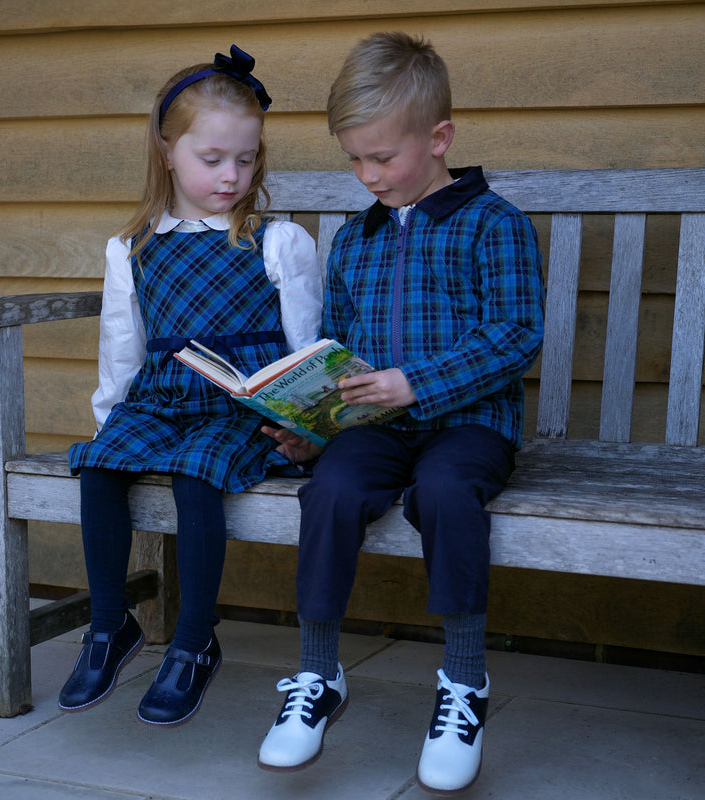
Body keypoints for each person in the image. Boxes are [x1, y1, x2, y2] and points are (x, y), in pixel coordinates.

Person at [257, 32, 544, 793]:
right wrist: (313, 427)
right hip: (378, 431)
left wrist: (418, 383)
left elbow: (515, 336)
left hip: (469, 427)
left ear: (439, 138)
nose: (368, 174)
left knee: (447, 492)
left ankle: (464, 683)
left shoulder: (494, 224)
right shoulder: (355, 240)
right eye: (354, 158)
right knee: (333, 490)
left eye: (382, 157)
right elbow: (343, 356)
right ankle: (318, 675)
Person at [58, 45, 322, 727]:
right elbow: (122, 347)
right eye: (213, 159)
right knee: (98, 465)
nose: (232, 176)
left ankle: (194, 641)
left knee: (196, 473)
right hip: (162, 399)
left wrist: (307, 428)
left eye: (247, 159)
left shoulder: (275, 240)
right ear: (168, 151)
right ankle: (110, 627)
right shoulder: (135, 246)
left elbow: (306, 347)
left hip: (241, 408)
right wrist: (109, 423)